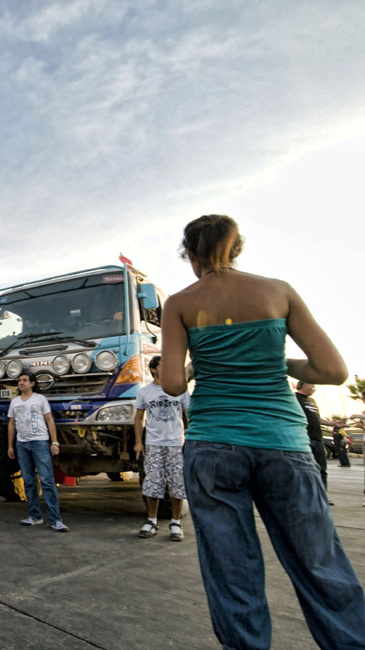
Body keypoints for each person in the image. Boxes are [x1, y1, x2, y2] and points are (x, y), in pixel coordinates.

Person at [160, 214, 365, 649]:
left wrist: (199, 367)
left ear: (190, 255)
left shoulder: (179, 303)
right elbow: (333, 370)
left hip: (213, 445)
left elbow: (173, 385)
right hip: (284, 443)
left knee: (232, 571)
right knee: (319, 564)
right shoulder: (279, 291)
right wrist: (277, 362)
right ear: (237, 249)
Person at [133, 356, 190, 541]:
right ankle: (151, 521)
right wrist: (139, 442)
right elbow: (138, 418)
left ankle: (176, 523)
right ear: (153, 369)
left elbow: (189, 414)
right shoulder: (145, 392)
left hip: (176, 443)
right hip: (153, 443)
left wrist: (191, 438)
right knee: (152, 483)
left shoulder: (179, 389)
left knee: (177, 484)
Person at [7, 371, 68, 531]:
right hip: (22, 444)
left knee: (47, 480)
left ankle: (55, 520)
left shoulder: (40, 399)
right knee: (28, 482)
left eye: (24, 380)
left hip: (40, 442)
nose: (21, 383)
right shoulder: (14, 402)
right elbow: (12, 424)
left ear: (32, 383)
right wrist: (10, 445)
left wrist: (54, 442)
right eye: (19, 380)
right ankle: (35, 516)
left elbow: (49, 420)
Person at [294, 381, 341, 499]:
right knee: (304, 470)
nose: (314, 389)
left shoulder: (312, 401)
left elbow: (318, 420)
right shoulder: (294, 399)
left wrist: (333, 424)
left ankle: (321, 496)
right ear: (304, 385)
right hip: (304, 440)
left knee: (321, 470)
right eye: (312, 386)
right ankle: (305, 497)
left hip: (318, 440)